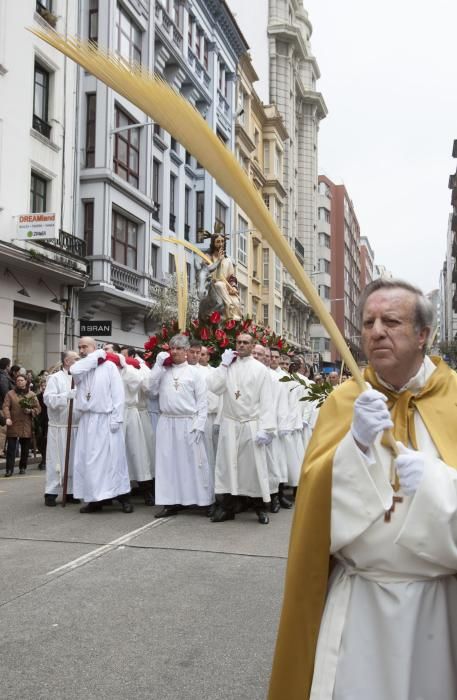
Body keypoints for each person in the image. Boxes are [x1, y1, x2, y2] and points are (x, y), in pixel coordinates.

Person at [269, 278, 457, 700]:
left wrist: (435, 483)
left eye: (391, 321)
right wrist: (354, 448)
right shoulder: (345, 400)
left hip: (439, 605)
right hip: (361, 603)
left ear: (423, 334)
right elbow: (314, 503)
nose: (376, 331)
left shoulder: (455, 398)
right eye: (369, 322)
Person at [207, 333, 275, 524]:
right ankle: (227, 508)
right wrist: (223, 365)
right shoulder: (229, 366)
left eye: (246, 342)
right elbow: (213, 387)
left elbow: (267, 400)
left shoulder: (260, 370)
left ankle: (260, 508)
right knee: (227, 467)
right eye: (239, 342)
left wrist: (266, 428)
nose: (242, 345)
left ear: (252, 346)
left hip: (251, 424)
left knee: (253, 468)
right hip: (230, 423)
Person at [150, 334, 212, 517]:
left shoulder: (195, 373)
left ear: (186, 351)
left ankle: (202, 501)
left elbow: (202, 402)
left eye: (178, 348)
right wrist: (157, 366)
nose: (174, 351)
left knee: (194, 463)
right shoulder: (164, 371)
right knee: (168, 463)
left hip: (188, 422)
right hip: (167, 421)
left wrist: (199, 425)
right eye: (172, 348)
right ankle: (170, 501)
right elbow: (150, 390)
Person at [70, 338, 133, 514]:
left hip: (106, 419)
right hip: (87, 420)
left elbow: (118, 394)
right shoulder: (81, 367)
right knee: (89, 462)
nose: (82, 350)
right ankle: (94, 499)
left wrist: (116, 418)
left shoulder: (110, 367)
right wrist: (96, 355)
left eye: (86, 347)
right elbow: (74, 369)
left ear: (94, 347)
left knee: (113, 461)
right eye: (80, 347)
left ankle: (123, 497)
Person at [43, 351, 80, 506]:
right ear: (67, 361)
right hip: (59, 427)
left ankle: (70, 491)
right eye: (76, 359)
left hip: (76, 427)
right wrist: (66, 395)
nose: (79, 360)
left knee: (73, 461)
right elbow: (48, 399)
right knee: (56, 461)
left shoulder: (80, 377)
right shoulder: (55, 378)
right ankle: (51, 492)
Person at [3, 375, 40, 476]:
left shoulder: (31, 394)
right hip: (13, 423)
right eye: (18, 380)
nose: (19, 382)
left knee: (25, 448)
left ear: (26, 382)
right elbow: (6, 406)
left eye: (21, 380)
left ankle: (23, 467)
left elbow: (38, 408)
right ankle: (9, 470)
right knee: (11, 449)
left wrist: (30, 411)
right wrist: (7, 418)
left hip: (26, 424)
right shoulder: (10, 394)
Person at [205, 233, 242, 321]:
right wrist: (218, 260)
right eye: (218, 242)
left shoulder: (228, 260)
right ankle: (229, 309)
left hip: (226, 288)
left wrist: (233, 286)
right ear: (213, 243)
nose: (220, 244)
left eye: (222, 241)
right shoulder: (208, 258)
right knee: (219, 285)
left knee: (237, 302)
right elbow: (207, 272)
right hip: (212, 286)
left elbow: (231, 277)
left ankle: (235, 319)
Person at [35, 377, 49, 471]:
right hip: (39, 422)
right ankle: (44, 457)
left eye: (45, 386)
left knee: (46, 441)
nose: (43, 387)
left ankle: (44, 460)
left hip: (50, 422)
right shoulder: (37, 397)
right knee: (39, 442)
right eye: (42, 386)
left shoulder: (51, 396)